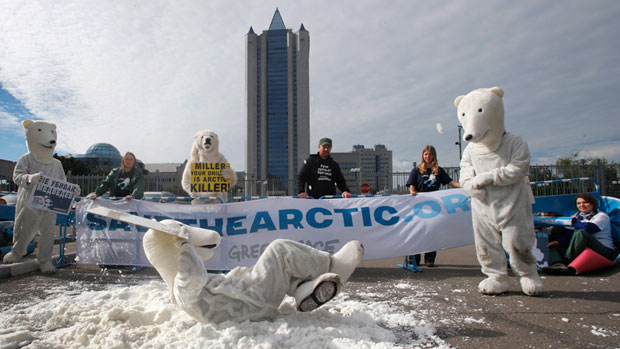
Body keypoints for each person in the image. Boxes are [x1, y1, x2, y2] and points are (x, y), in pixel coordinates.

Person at [405, 145, 461, 267]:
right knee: (418, 231)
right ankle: (414, 257)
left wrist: (464, 185)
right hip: (419, 205)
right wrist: (412, 192)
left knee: (432, 231)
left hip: (434, 206)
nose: (427, 157)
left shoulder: (438, 171)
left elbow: (451, 182)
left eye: (430, 154)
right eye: (425, 154)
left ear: (434, 156)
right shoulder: (417, 170)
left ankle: (430, 258)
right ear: (422, 156)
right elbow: (411, 185)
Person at [543, 193, 618, 275]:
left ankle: (568, 261)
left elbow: (589, 228)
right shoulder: (576, 216)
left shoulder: (601, 216)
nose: (582, 205)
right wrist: (557, 241)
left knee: (581, 232)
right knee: (553, 245)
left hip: (604, 249)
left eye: (585, 202)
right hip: (582, 248)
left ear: (593, 204)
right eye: (578, 203)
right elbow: (568, 234)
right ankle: (557, 264)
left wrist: (573, 222)